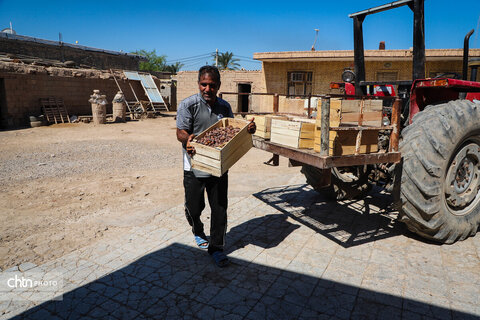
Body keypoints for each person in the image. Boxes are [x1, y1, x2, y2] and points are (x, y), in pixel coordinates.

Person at [176, 65, 255, 267]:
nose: (207, 89)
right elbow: (180, 132)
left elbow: (232, 130)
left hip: (219, 165)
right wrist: (188, 140)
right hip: (193, 165)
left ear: (218, 86)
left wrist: (248, 129)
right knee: (194, 207)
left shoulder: (225, 107)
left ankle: (217, 248)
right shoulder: (188, 105)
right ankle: (197, 229)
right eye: (204, 84)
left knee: (219, 209)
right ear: (198, 84)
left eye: (212, 85)